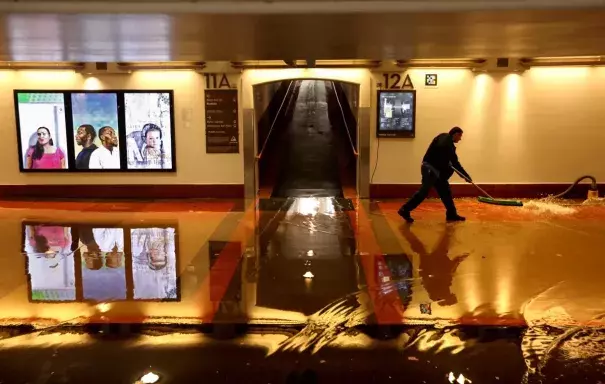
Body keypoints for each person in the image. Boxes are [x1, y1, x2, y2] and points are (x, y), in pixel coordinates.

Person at [399, 127, 471, 223]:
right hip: (430, 169)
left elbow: (455, 163)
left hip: (436, 171)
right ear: (455, 134)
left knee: (445, 191)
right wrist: (446, 162)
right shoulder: (445, 139)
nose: (460, 139)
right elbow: (446, 155)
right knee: (424, 191)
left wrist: (465, 176)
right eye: (460, 136)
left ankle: (451, 214)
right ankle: (405, 209)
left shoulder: (448, 143)